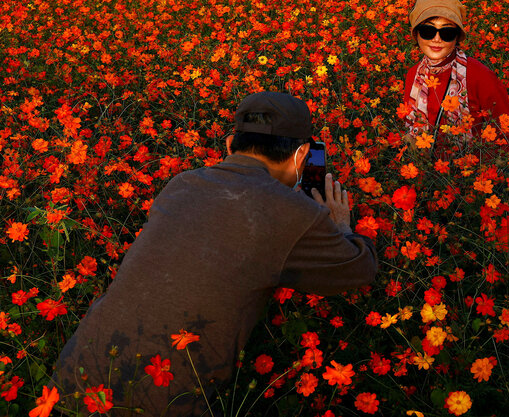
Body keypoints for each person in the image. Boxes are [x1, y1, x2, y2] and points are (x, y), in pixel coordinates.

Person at [52, 92, 378, 416]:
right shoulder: (293, 212)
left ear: (229, 145)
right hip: (160, 403)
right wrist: (340, 225)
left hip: (73, 382)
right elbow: (359, 270)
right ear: (302, 154)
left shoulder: (181, 183)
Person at [402, 0, 509, 152]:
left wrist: (481, 168)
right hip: (422, 170)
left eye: (447, 33)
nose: (437, 39)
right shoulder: (413, 75)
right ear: (416, 34)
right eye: (428, 31)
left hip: (470, 170)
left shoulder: (479, 75)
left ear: (457, 37)